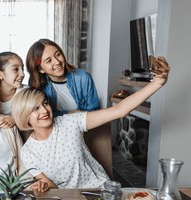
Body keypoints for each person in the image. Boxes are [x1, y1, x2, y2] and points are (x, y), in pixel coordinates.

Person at [12, 56, 170, 189]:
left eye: (45, 103)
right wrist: (42, 187)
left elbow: (119, 110)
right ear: (25, 117)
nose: (44, 111)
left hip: (99, 191)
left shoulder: (70, 122)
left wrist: (157, 82)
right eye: (35, 109)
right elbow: (52, 187)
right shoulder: (28, 152)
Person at [26, 38, 100, 116]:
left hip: (83, 126)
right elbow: (38, 114)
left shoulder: (83, 78)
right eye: (49, 60)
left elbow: (93, 113)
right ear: (40, 69)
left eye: (58, 54)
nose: (57, 62)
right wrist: (70, 113)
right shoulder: (36, 83)